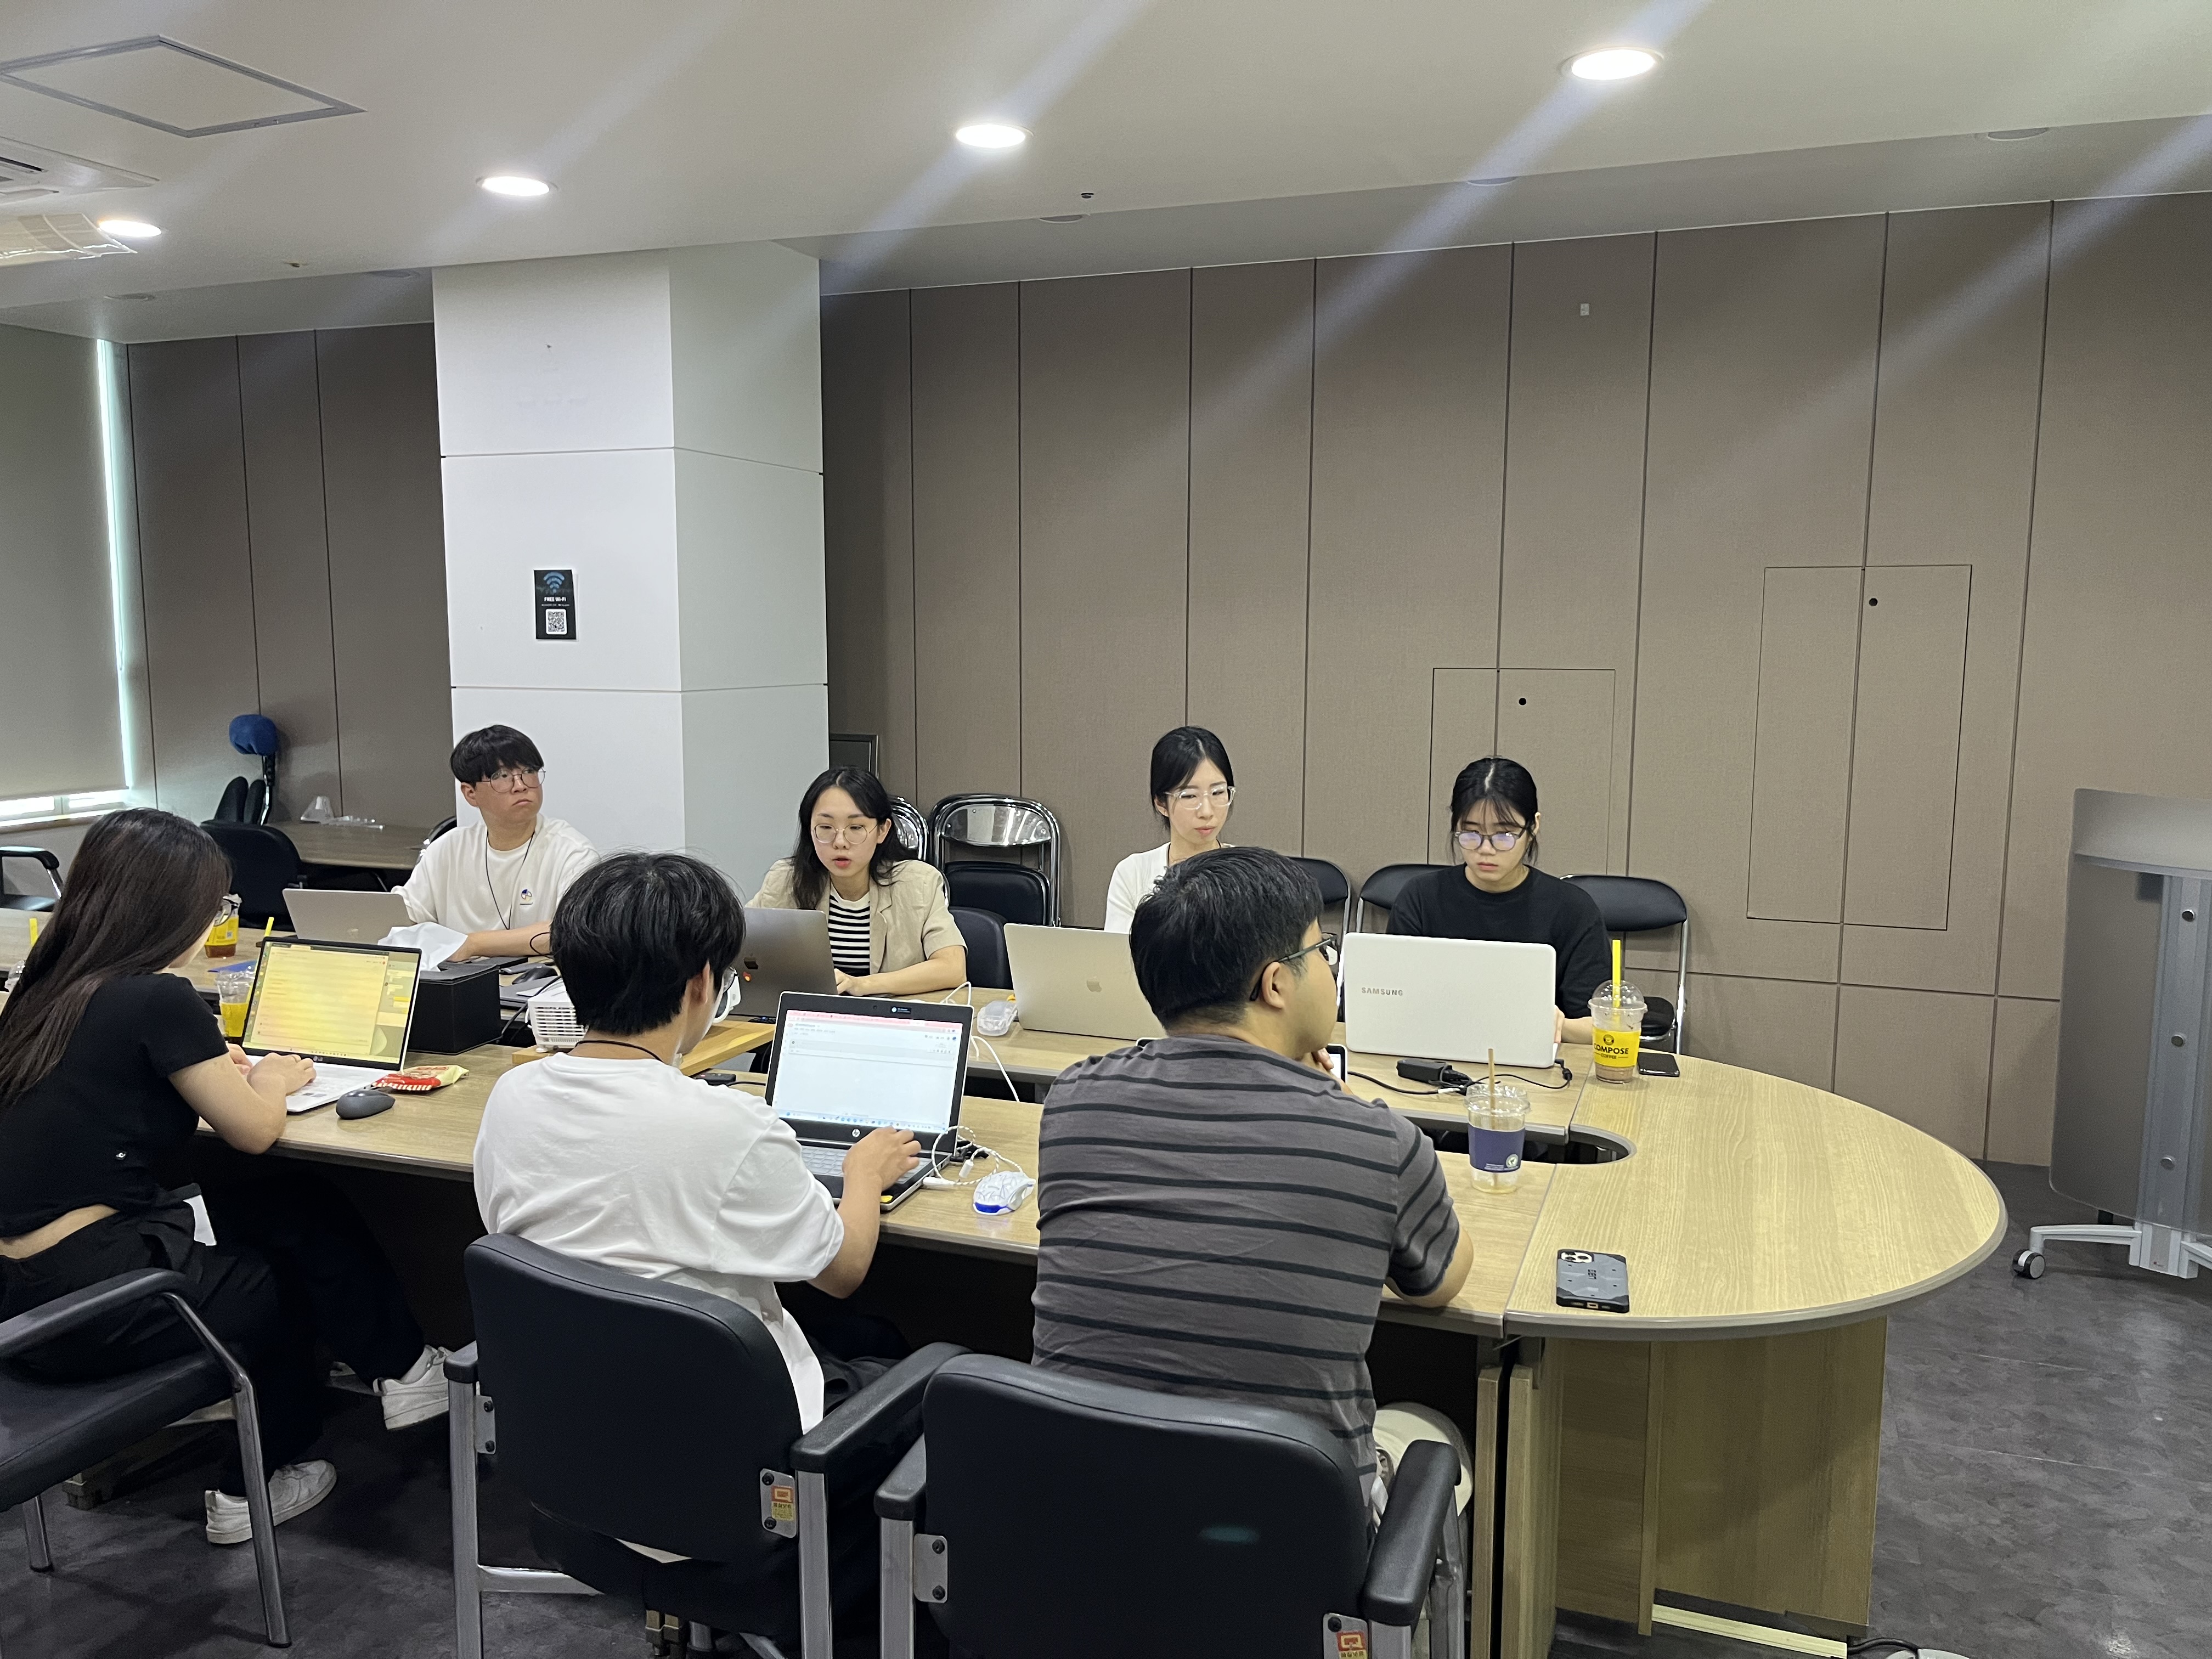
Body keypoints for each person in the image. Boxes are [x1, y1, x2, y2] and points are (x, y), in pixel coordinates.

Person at [0, 810, 448, 1547]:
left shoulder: (43, 989)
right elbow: (254, 1130)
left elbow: (105, 1089)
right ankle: (255, 1483)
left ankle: (403, 1370)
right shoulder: (157, 996)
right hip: (95, 1304)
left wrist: (210, 1063)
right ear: (171, 908)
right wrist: (271, 1077)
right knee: (278, 1275)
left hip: (22, 1294)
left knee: (278, 1199)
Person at [1032, 846, 1473, 1503]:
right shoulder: (1376, 1141)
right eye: (1321, 950)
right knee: (1437, 1432)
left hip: (1083, 1513)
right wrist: (1343, 1108)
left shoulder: (1072, 1101)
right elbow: (1443, 1284)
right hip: (1289, 1538)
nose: (1329, 967)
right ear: (1275, 985)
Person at [474, 851, 919, 1431]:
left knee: (865, 1338)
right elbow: (842, 1271)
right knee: (924, 1370)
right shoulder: (731, 1126)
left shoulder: (510, 1096)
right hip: (725, 1427)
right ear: (703, 984)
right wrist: (865, 1174)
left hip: (568, 1410)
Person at [1389, 756, 1610, 1046]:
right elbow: (1392, 1000)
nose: (1486, 849)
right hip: (1434, 1051)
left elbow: (1600, 1026)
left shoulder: (1573, 909)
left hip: (1536, 1059)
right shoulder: (1420, 897)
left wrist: (1559, 1025)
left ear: (1533, 827)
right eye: (1471, 833)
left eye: (1504, 835)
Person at [752, 769, 965, 997]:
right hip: (808, 1015)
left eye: (856, 828)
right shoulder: (785, 879)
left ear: (882, 831)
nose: (840, 842)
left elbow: (953, 969)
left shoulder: (917, 883)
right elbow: (739, 946)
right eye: (826, 828)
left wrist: (862, 985)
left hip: (888, 1015)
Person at [399, 725, 597, 961]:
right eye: (502, 776)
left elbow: (566, 932)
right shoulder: (447, 849)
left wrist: (471, 944)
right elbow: (404, 918)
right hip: (459, 977)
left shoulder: (572, 851)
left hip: (535, 980)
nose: (521, 785)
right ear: (470, 793)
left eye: (529, 771)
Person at [1103, 726, 1235, 932]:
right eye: (1189, 796)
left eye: (1218, 793)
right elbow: (1120, 950)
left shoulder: (1251, 874)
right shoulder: (1133, 874)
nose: (1207, 812)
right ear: (1161, 803)